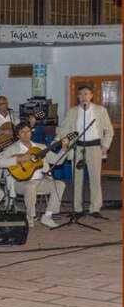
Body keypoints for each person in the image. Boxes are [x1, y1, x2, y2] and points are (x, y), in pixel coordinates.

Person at [57, 85, 114, 217]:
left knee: (95, 179)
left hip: (94, 147)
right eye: (81, 94)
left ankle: (95, 208)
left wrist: (105, 145)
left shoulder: (100, 110)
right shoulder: (72, 111)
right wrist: (65, 142)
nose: (84, 97)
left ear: (91, 95)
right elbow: (64, 129)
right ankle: (77, 209)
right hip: (78, 147)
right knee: (77, 179)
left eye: (86, 94)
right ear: (78, 97)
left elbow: (109, 130)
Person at [0, 122, 67, 228]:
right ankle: (30, 217)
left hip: (40, 181)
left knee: (60, 184)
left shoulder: (41, 147)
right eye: (22, 132)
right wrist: (19, 159)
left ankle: (47, 216)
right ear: (18, 135)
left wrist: (63, 148)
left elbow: (57, 161)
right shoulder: (13, 148)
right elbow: (0, 162)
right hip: (20, 183)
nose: (26, 134)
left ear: (31, 133)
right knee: (31, 186)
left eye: (28, 131)